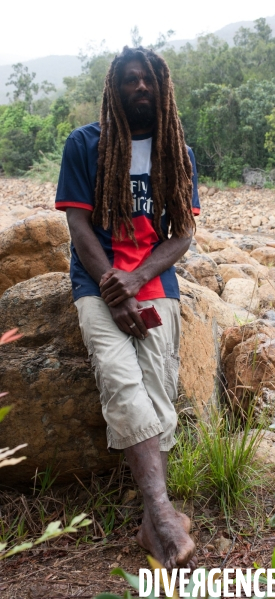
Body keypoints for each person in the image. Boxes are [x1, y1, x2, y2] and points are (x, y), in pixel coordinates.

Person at [55, 46, 200, 569]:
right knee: (121, 382)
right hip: (96, 285)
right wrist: (112, 289)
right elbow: (77, 225)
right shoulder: (85, 144)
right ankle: (161, 514)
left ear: (162, 89)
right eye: (130, 80)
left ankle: (149, 522)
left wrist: (137, 280)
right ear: (113, 88)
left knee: (160, 396)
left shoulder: (176, 150)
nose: (140, 87)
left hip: (155, 287)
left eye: (149, 81)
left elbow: (182, 234)